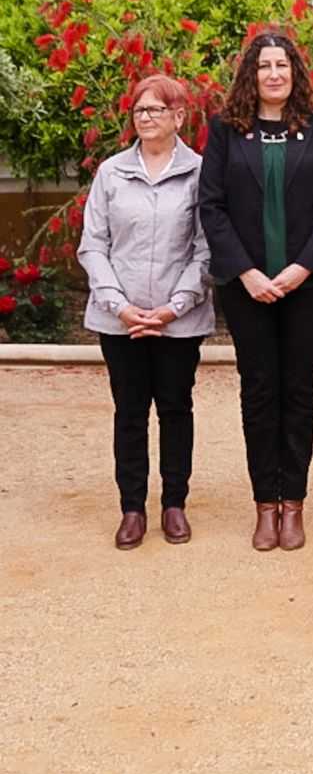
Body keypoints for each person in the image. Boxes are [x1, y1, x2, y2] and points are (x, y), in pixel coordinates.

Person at [199, 30, 313, 553]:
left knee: (299, 389)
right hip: (248, 287)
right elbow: (211, 207)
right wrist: (245, 272)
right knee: (260, 390)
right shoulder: (225, 129)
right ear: (250, 74)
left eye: (282, 64)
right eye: (264, 66)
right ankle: (266, 504)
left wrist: (303, 267)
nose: (274, 74)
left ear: (295, 71)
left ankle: (295, 504)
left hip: (308, 284)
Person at [78, 75, 213, 550]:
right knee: (130, 412)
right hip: (121, 320)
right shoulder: (111, 173)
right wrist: (121, 306)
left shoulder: (201, 173)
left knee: (176, 409)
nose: (146, 118)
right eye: (140, 110)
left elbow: (205, 249)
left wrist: (175, 307)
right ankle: (132, 509)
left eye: (157, 110)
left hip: (180, 319)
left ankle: (174, 504)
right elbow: (93, 245)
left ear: (180, 117)